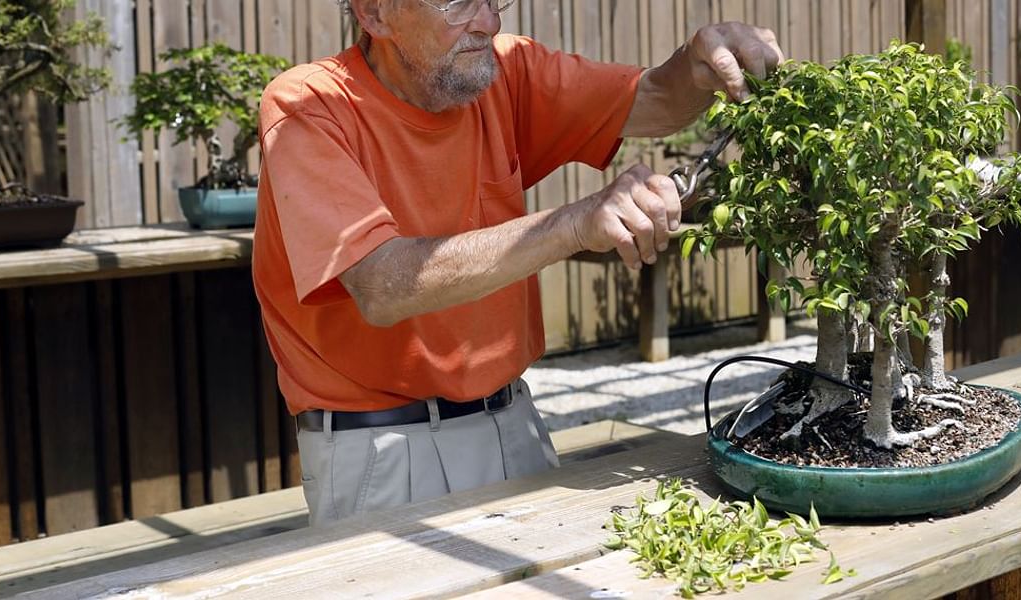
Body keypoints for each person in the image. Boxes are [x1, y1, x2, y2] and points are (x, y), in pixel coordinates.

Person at [253, 0, 784, 526]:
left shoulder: (503, 72)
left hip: (514, 420)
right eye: (460, 4)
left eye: (493, 0)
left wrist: (697, 65)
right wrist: (573, 225)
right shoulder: (310, 104)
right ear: (375, 14)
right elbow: (382, 285)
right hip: (380, 445)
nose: (489, 21)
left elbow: (653, 98)